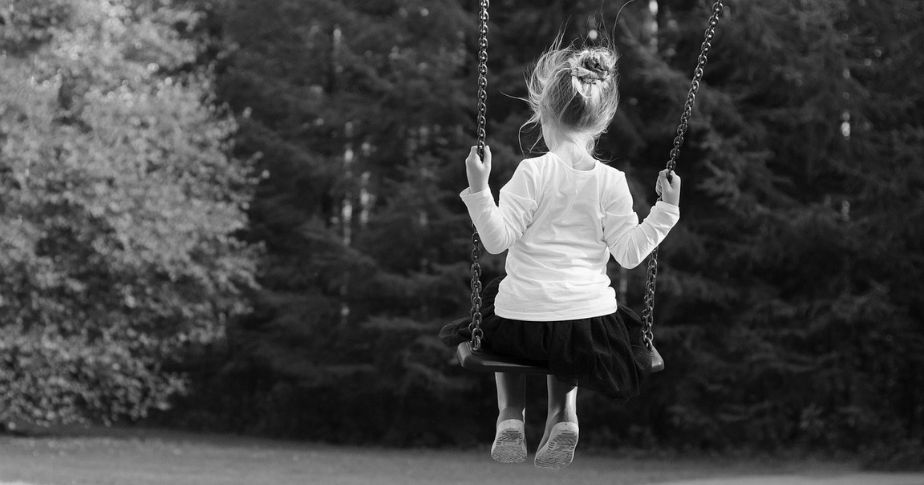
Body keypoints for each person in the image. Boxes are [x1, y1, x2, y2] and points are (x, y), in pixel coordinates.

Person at [441, 41, 681, 469]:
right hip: (587, 324)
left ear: (543, 114)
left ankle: (510, 416)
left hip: (523, 321)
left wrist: (479, 189)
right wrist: (665, 210)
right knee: (569, 332)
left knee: (503, 310)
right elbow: (629, 254)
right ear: (601, 122)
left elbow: (496, 241)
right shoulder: (612, 181)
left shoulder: (532, 172)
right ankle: (564, 415)